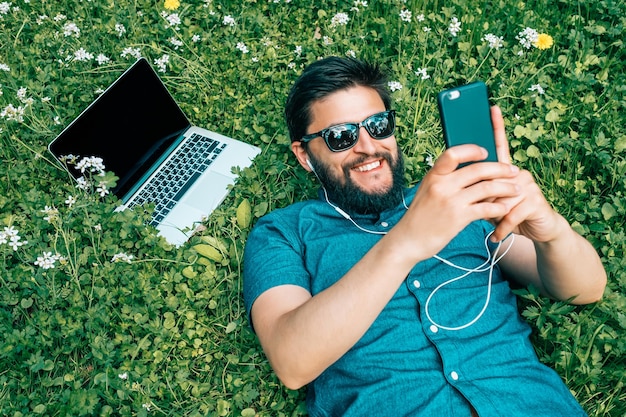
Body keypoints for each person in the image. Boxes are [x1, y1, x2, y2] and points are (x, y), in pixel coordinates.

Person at [243, 56, 607, 417]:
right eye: (342, 137)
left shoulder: (460, 197)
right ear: (305, 155)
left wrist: (551, 230)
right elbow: (292, 362)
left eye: (378, 125)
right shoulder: (284, 232)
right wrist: (405, 243)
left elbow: (585, 289)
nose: (369, 147)